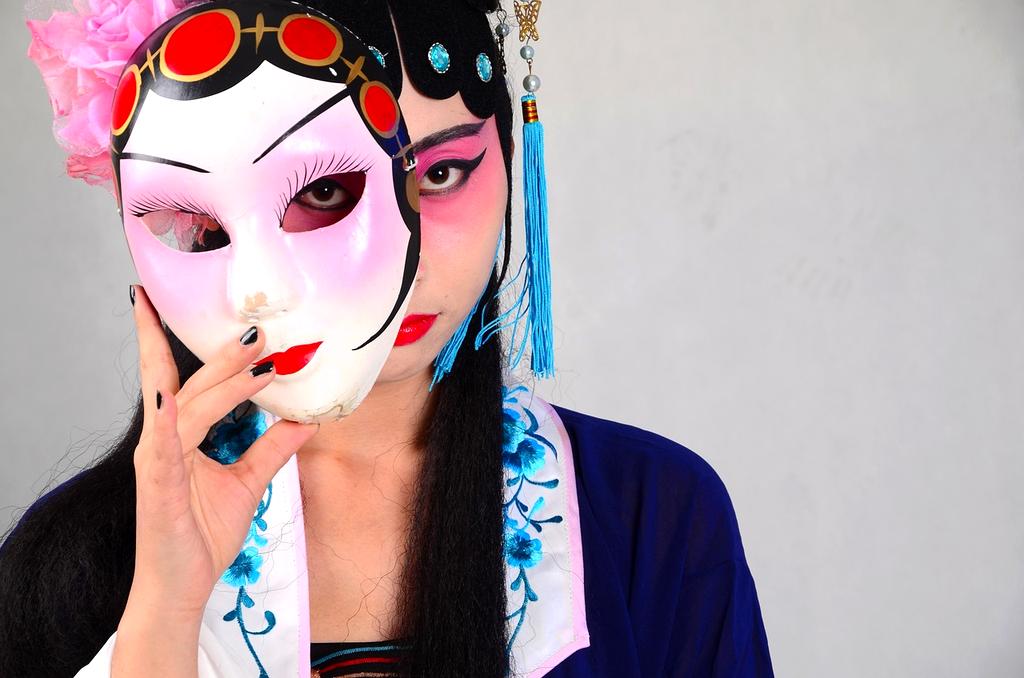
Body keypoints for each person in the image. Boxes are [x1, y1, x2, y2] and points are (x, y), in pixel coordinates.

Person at [0, 0, 775, 676]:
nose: (400, 257)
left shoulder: (651, 517)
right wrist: (164, 612)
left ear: (510, 159)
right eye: (327, 190)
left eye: (438, 175)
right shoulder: (76, 561)